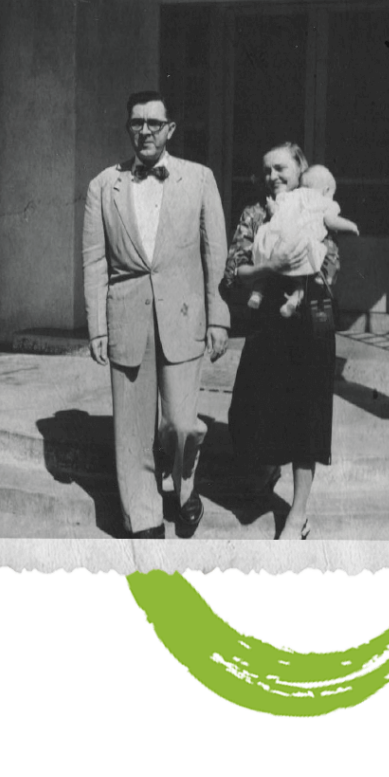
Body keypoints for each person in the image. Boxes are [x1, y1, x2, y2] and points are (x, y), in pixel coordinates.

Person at [82, 91, 230, 539]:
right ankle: (142, 516)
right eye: (136, 122)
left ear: (170, 129)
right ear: (128, 129)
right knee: (130, 430)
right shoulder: (102, 185)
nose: (144, 130)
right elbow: (93, 262)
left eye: (153, 122)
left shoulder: (200, 178)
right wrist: (97, 326)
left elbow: (215, 253)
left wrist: (218, 314)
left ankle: (184, 487)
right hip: (126, 317)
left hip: (184, 315)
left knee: (182, 423)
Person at [221, 143, 340, 541]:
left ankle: (298, 513)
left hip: (309, 326)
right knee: (244, 413)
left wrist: (303, 272)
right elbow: (233, 272)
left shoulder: (317, 206)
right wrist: (270, 266)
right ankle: (266, 468)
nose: (273, 176)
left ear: (300, 169)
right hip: (266, 324)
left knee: (305, 421)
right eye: (267, 169)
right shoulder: (254, 214)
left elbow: (330, 264)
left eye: (281, 168)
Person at [248, 164, 359, 318]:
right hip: (301, 244)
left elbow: (277, 212)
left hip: (276, 239)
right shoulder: (325, 202)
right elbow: (331, 221)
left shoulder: (292, 196)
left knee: (265, 267)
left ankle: (257, 293)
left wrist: (272, 207)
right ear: (326, 190)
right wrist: (351, 226)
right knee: (303, 279)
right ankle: (295, 300)